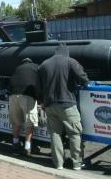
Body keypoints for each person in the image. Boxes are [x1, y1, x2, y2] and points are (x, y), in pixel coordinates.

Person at [36, 43, 89, 171]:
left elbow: (38, 88)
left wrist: (42, 102)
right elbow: (84, 79)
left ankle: (58, 163)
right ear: (67, 52)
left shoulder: (43, 64)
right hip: (67, 105)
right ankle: (77, 163)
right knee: (74, 133)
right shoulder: (71, 61)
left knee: (55, 134)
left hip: (49, 106)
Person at [8, 58, 39, 156]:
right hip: (28, 95)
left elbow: (9, 84)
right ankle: (27, 147)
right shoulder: (36, 67)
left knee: (16, 122)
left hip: (13, 95)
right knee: (29, 123)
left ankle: (15, 144)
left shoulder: (18, 68)